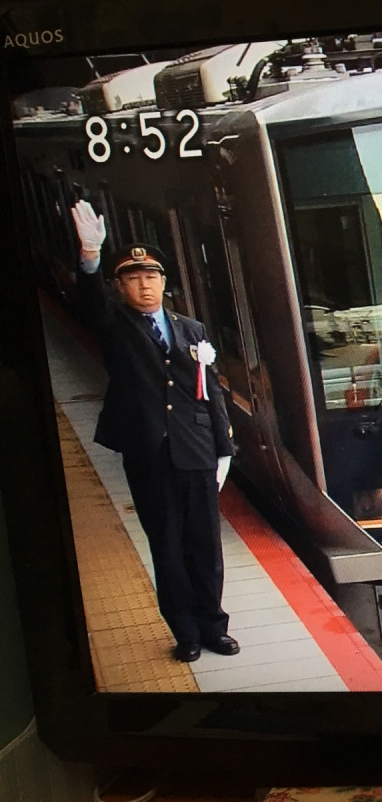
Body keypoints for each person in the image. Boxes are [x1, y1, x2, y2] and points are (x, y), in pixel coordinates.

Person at [71, 199, 239, 663]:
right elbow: (89, 301)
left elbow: (212, 392)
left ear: (164, 283)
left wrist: (224, 449)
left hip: (197, 451)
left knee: (205, 548)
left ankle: (214, 626)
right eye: (133, 278)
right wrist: (90, 256)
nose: (145, 285)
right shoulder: (116, 325)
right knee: (167, 546)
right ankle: (185, 633)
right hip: (149, 455)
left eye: (152, 277)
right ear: (119, 286)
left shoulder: (192, 328)